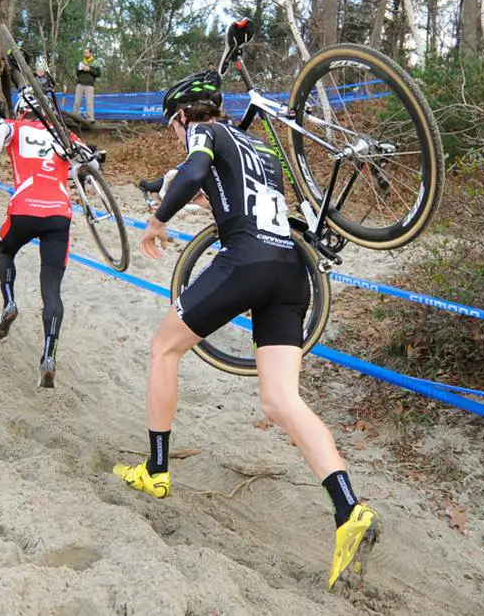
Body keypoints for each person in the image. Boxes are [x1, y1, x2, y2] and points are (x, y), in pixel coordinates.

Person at [112, 72, 380, 592]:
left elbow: (194, 174)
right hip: (290, 271)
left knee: (163, 348)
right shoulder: (258, 148)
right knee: (282, 401)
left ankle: (157, 469)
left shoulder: (204, 135)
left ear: (184, 115)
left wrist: (157, 220)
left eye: (173, 123)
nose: (175, 131)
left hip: (247, 260)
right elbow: (225, 195)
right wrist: (167, 193)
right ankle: (350, 509)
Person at [0, 87, 98, 388]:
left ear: (20, 110)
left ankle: (9, 301)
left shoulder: (13, 126)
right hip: (58, 213)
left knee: (6, 250)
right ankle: (48, 355)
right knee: (52, 290)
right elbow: (91, 166)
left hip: (24, 207)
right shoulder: (65, 137)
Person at [72, 47, 100, 122]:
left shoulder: (95, 63)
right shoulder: (81, 62)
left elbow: (98, 74)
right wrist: (79, 69)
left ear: (90, 53)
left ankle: (90, 118)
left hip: (89, 85)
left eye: (87, 52)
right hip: (80, 84)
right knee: (77, 101)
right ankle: (74, 116)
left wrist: (89, 69)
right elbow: (77, 73)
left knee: (89, 103)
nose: (85, 54)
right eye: (84, 52)